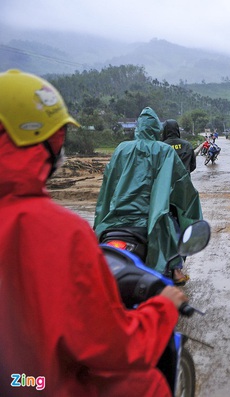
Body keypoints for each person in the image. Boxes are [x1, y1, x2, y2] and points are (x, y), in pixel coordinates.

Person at [0, 69, 187, 396]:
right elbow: (109, 344)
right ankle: (174, 268)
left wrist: (100, 224)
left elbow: (106, 189)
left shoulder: (119, 151)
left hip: (112, 222)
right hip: (42, 384)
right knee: (148, 384)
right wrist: (161, 310)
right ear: (47, 141)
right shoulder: (60, 232)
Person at [94, 106, 202, 285]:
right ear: (155, 130)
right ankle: (176, 271)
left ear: (138, 128)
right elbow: (183, 186)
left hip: (116, 220)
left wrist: (99, 221)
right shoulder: (164, 151)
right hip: (150, 221)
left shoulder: (121, 149)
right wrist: (192, 214)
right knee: (171, 230)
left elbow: (108, 186)